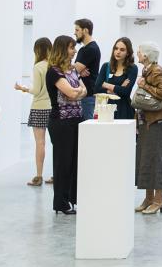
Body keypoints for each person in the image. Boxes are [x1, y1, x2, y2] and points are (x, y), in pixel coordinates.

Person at [45, 35, 86, 215]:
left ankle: (72, 199)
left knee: (75, 161)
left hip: (76, 120)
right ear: (62, 49)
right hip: (60, 122)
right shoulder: (54, 71)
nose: (74, 51)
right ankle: (61, 203)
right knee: (63, 163)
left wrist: (76, 93)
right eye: (71, 48)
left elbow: (84, 91)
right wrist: (76, 92)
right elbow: (70, 92)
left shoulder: (72, 70)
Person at [135, 42, 162, 214]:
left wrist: (144, 86)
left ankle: (158, 200)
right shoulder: (147, 70)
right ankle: (149, 198)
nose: (137, 54)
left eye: (139, 52)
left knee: (156, 160)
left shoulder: (156, 70)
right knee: (145, 159)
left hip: (156, 122)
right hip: (146, 121)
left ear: (146, 55)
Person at [14, 37, 53, 186]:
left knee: (40, 143)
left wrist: (23, 88)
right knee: (56, 143)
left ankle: (38, 176)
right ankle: (57, 175)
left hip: (39, 108)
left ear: (37, 50)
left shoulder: (38, 67)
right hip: (53, 107)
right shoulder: (54, 65)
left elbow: (36, 90)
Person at [95, 37, 138, 120]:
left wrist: (106, 85)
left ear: (128, 53)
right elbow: (97, 88)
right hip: (107, 109)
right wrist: (117, 89)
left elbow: (126, 91)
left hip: (125, 110)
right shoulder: (106, 66)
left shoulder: (132, 68)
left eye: (122, 50)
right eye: (116, 48)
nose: (118, 52)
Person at [73, 18, 102, 120]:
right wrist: (78, 70)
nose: (74, 33)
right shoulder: (83, 49)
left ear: (85, 30)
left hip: (88, 94)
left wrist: (77, 69)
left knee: (87, 126)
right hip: (83, 94)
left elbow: (73, 69)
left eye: (77, 30)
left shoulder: (91, 49)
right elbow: (75, 69)